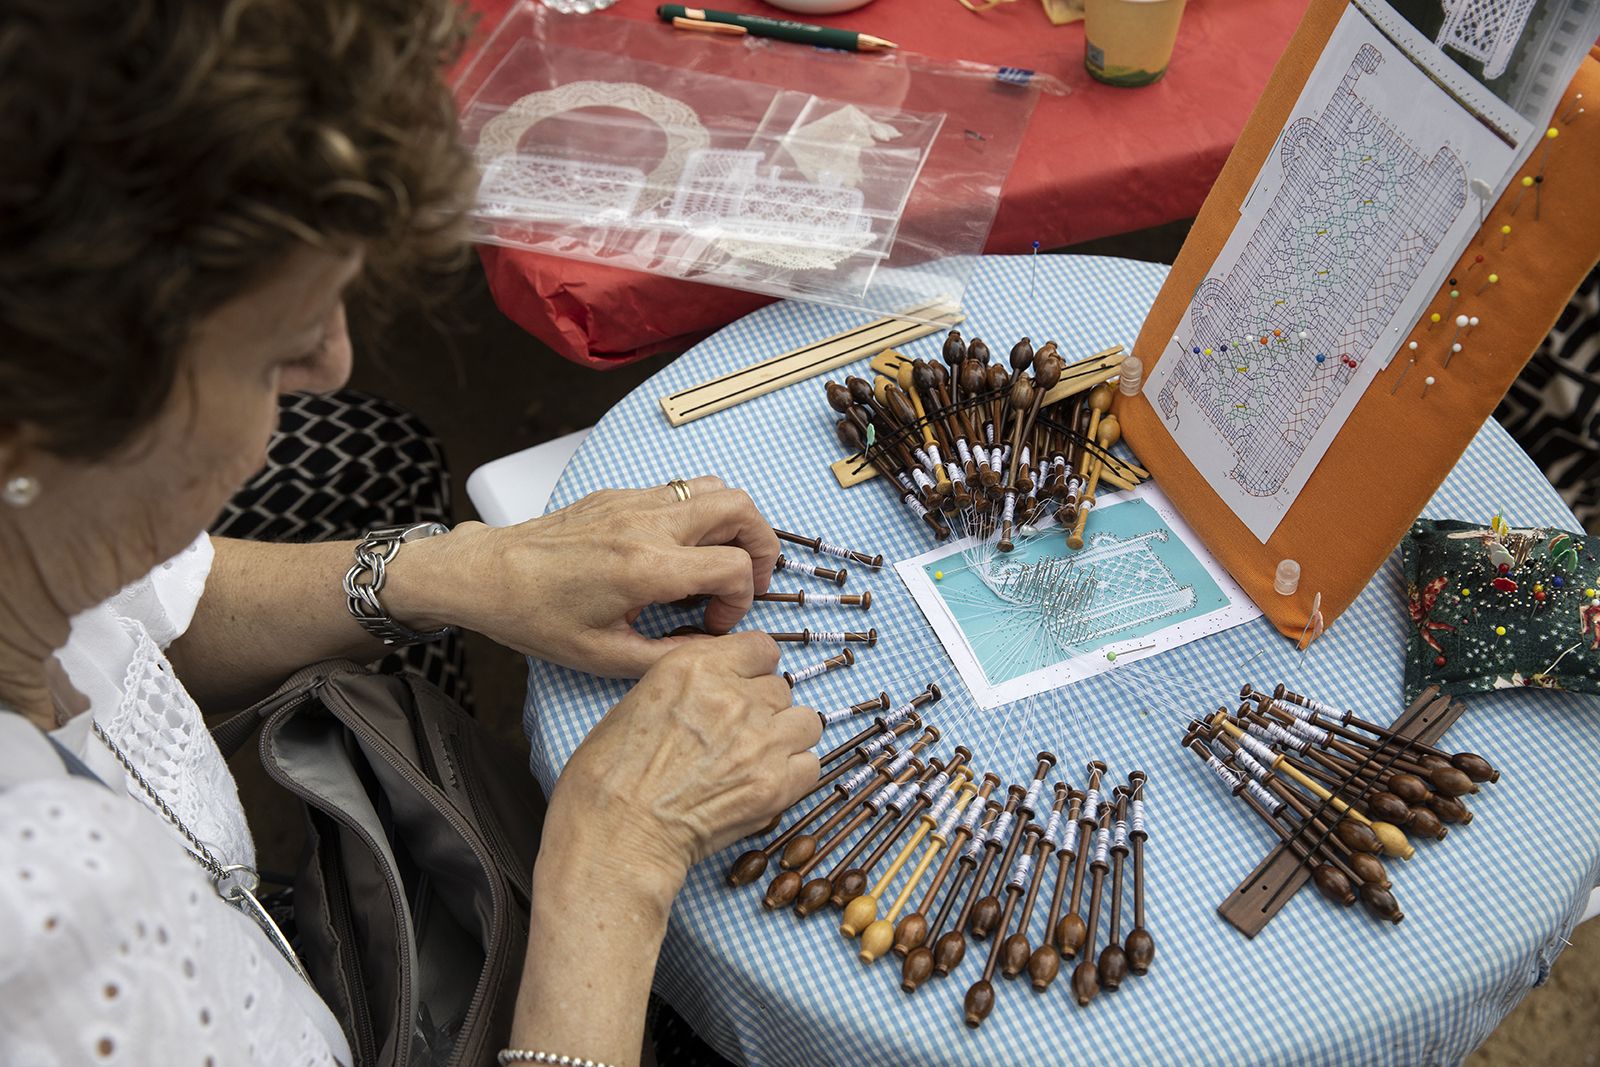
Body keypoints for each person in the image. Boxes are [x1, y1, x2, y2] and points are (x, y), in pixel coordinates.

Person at [0, 2, 820, 1065]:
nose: (331, 365)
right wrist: (612, 862)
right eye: (273, 354)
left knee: (375, 452)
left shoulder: (43, 533)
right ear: (37, 426)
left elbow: (149, 612)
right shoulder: (50, 937)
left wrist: (456, 569)